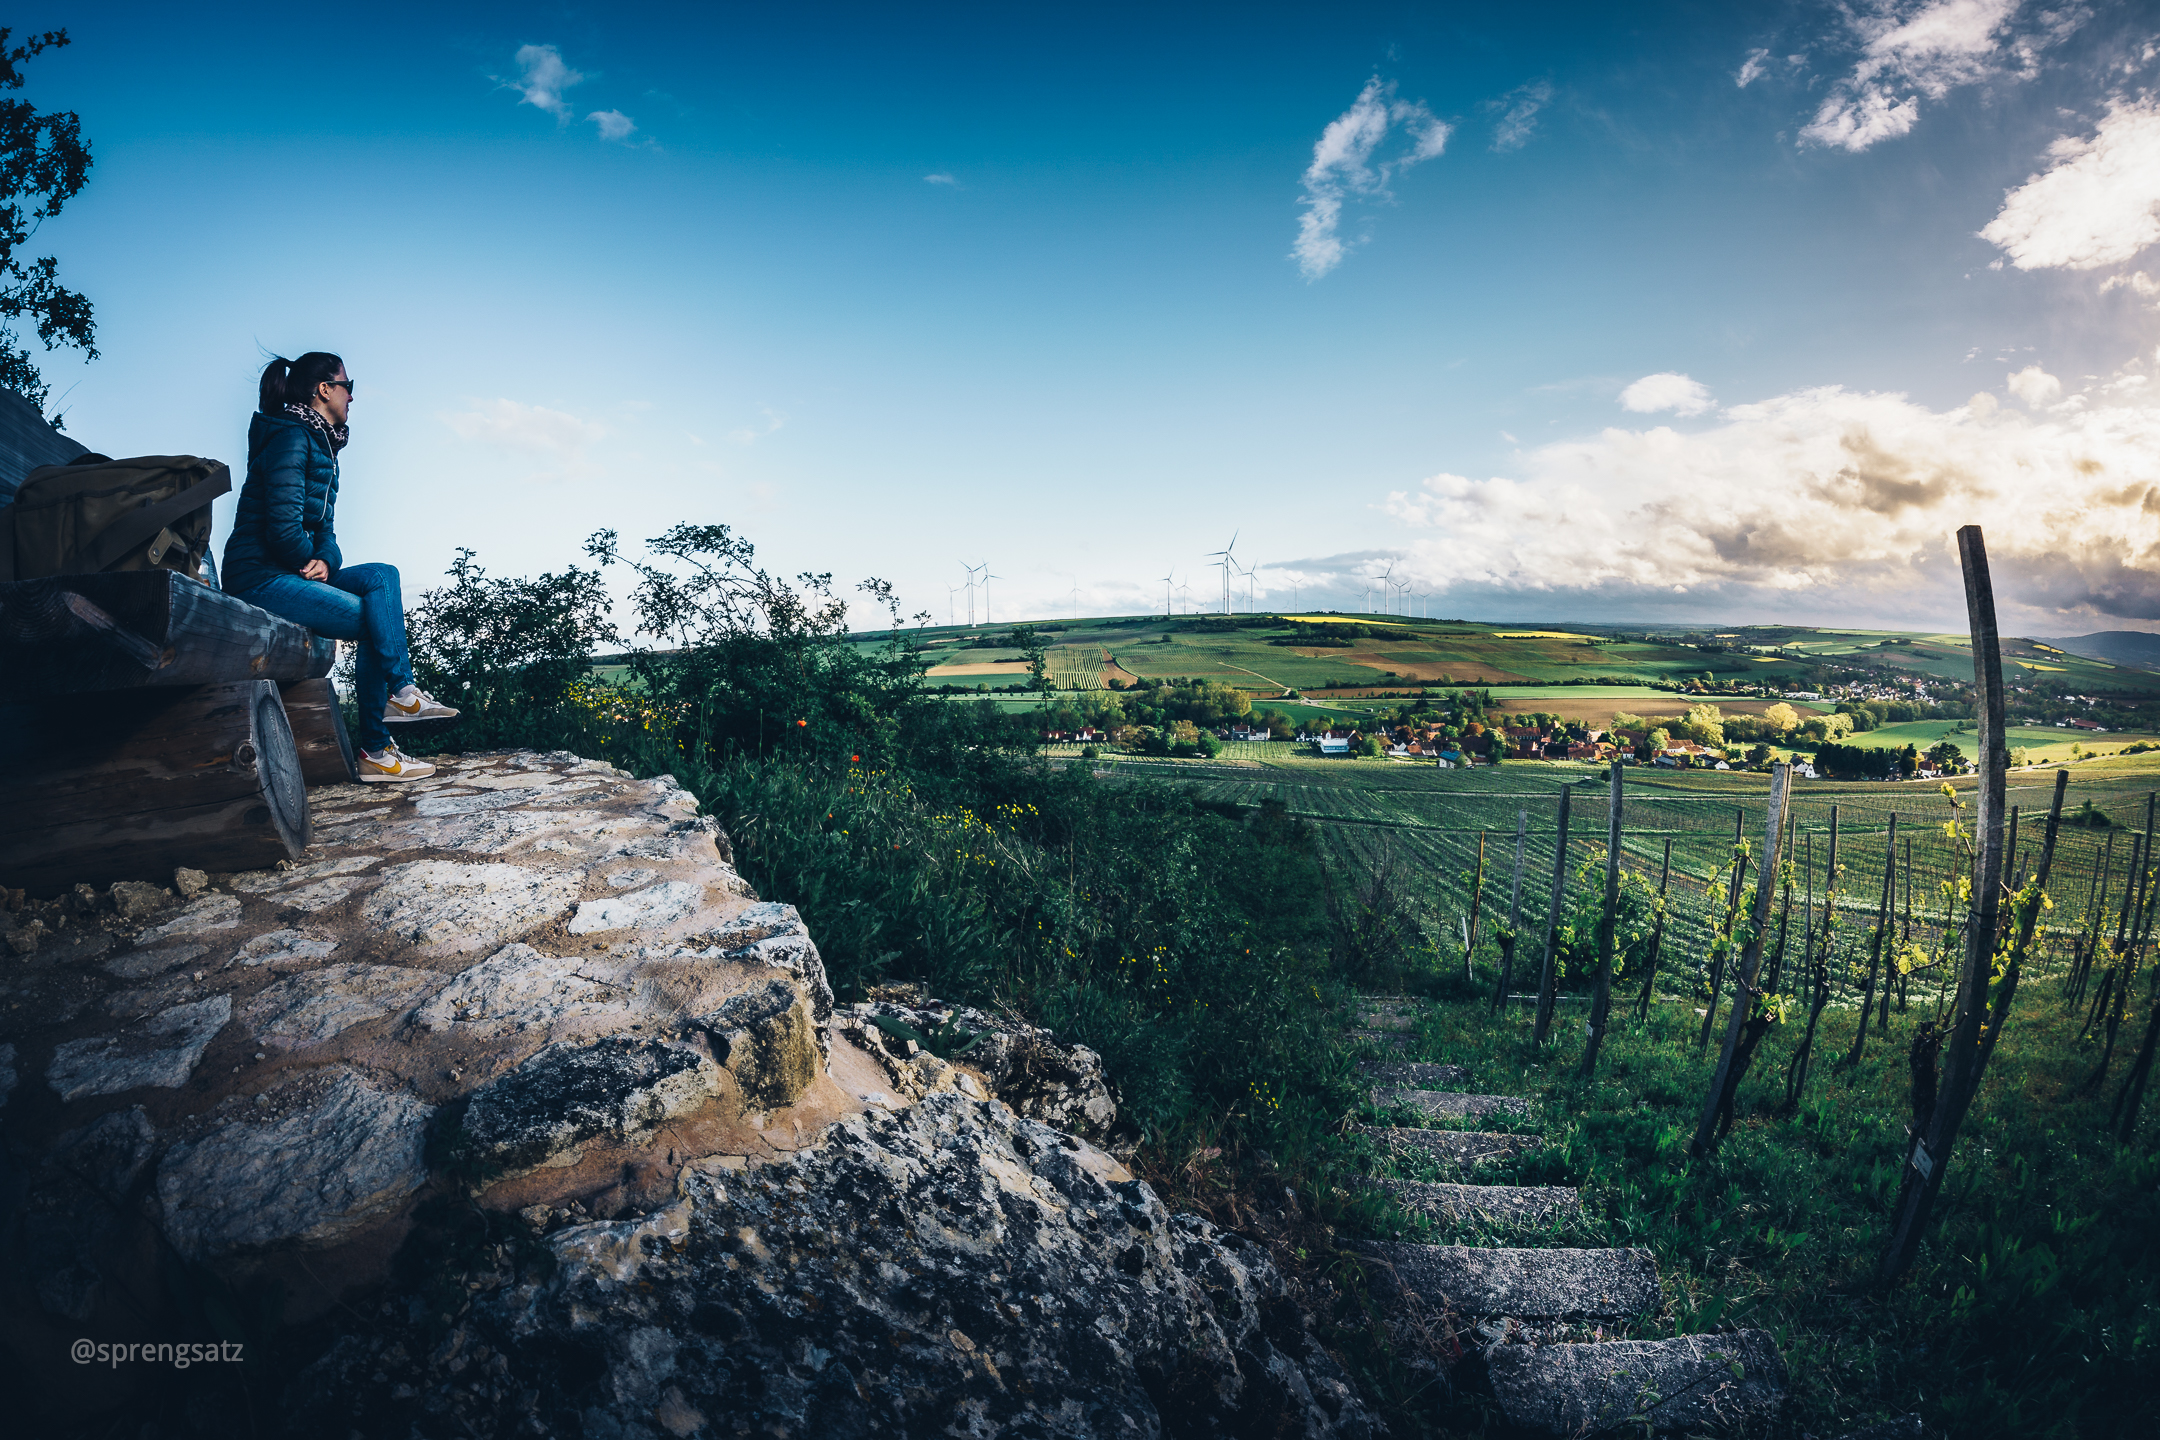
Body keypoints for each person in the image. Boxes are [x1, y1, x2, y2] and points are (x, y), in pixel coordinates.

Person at [221, 352, 458, 781]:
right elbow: (281, 526)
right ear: (324, 389)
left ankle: (402, 692)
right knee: (370, 618)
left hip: (296, 572)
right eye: (349, 385)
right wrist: (303, 560)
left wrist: (326, 561)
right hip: (259, 576)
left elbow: (325, 530)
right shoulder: (291, 436)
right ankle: (377, 749)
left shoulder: (325, 445)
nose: (352, 396)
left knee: (382, 575)